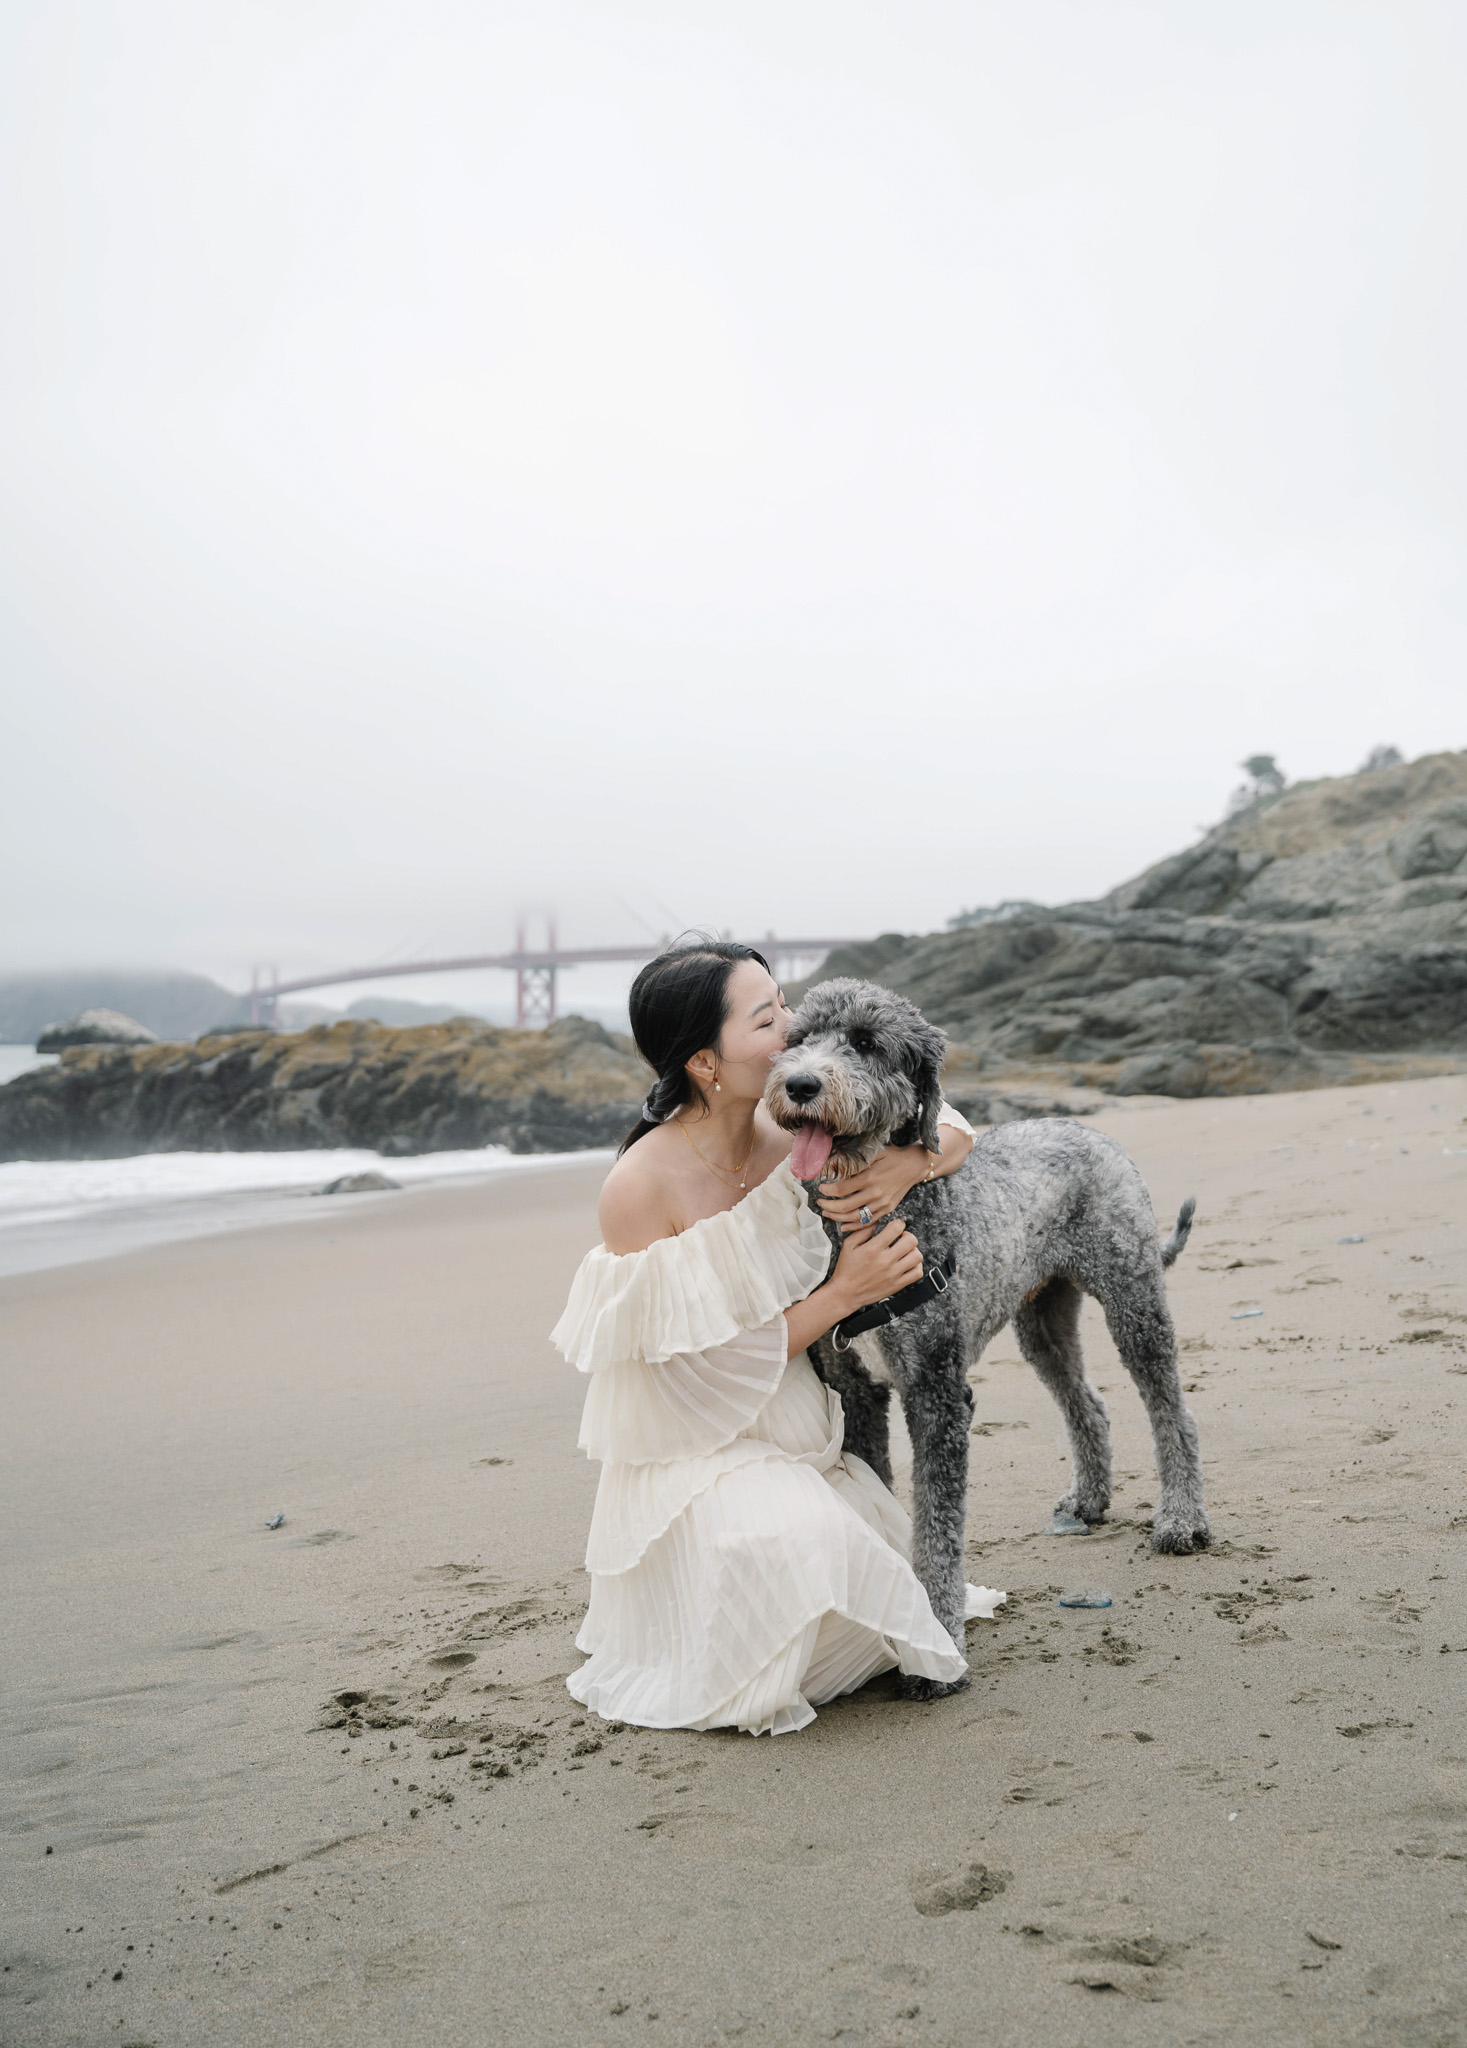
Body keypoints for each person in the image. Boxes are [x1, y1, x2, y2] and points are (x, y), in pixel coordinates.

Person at [550, 941, 1004, 1736]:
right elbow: (688, 1381)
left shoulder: (796, 1122)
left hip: (808, 1433)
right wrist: (844, 1294)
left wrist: (913, 1164)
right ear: (704, 1061)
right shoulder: (638, 1188)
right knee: (801, 1575)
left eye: (784, 1005)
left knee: (871, 1587)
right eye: (768, 1020)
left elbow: (946, 1114)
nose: (795, 1032)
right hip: (700, 1448)